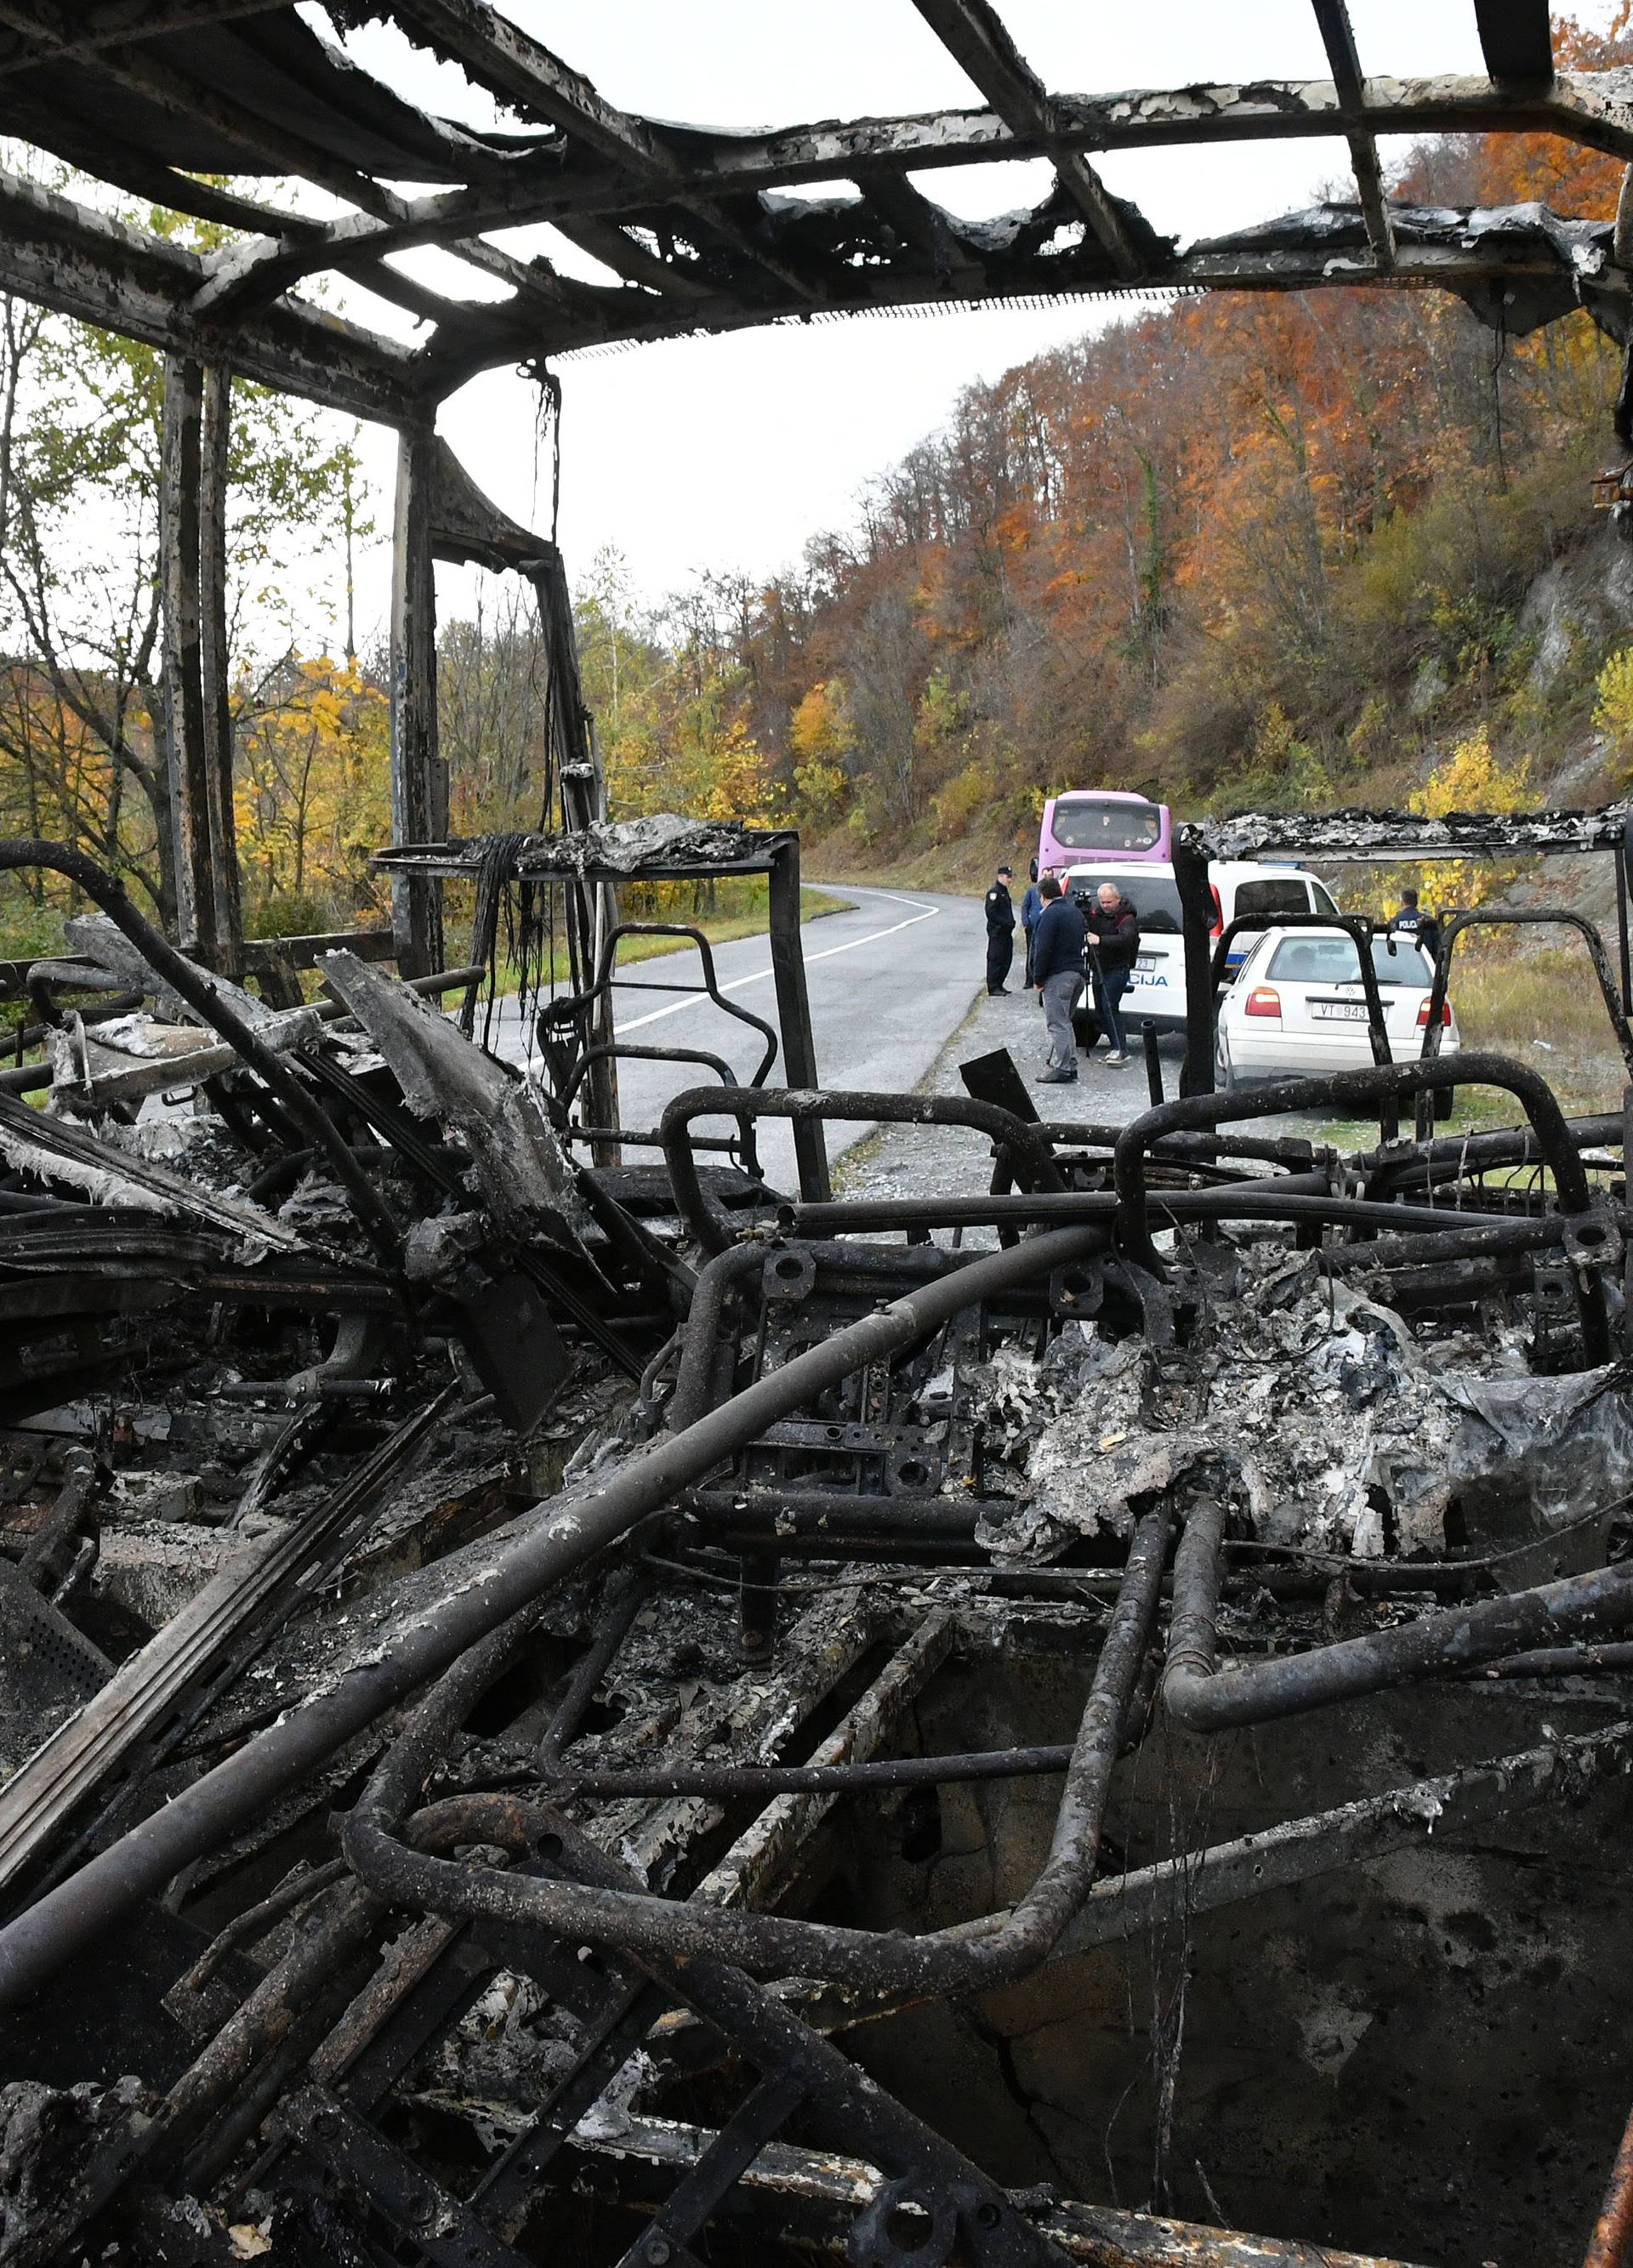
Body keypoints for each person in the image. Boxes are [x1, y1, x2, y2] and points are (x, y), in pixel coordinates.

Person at [1030, 873, 1087, 1083]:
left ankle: (1063, 1068)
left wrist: (1038, 978)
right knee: (1066, 1022)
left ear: (1043, 895)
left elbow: (1043, 949)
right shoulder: (1074, 912)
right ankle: (1070, 1065)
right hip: (1077, 974)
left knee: (1057, 1023)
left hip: (1058, 975)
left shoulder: (1049, 915)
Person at [1084, 881, 1140, 1067]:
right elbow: (1085, 925)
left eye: (1109, 902)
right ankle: (1115, 1046)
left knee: (1110, 1006)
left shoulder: (1127, 918)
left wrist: (1100, 940)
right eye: (1102, 902)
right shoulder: (1095, 914)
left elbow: (1126, 939)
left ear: (1118, 899)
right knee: (1100, 1009)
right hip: (1098, 967)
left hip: (1118, 968)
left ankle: (1121, 1048)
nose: (1105, 906)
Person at [984, 863, 1016, 996]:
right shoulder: (994, 892)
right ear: (1000, 876)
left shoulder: (1004, 891)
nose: (1010, 880)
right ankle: (993, 986)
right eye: (1008, 877)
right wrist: (1006, 923)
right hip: (998, 932)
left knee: (1006, 958)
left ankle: (1000, 984)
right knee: (996, 959)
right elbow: (991, 913)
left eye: (1010, 877)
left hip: (1006, 932)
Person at [1388, 885, 1442, 964]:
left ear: (1402, 902)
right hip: (1425, 968)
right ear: (1416, 902)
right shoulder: (1429, 922)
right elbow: (1438, 950)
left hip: (1400, 967)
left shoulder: (1394, 922)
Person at [1020, 859, 1043, 989]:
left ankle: (1038, 978)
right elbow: (1024, 906)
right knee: (1030, 952)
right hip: (1032, 926)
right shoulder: (1032, 890)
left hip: (1044, 926)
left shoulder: (1052, 891)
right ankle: (1029, 979)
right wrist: (1025, 922)